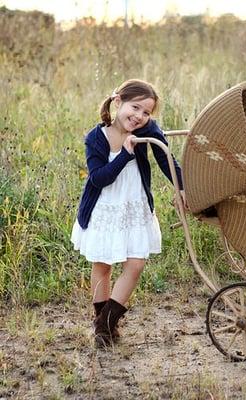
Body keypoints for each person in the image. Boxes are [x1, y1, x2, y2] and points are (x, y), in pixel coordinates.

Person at [71, 79, 184, 347]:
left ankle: (106, 323)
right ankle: (103, 328)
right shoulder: (96, 138)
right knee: (102, 265)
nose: (139, 116)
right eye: (135, 108)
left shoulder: (148, 130)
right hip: (105, 208)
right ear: (118, 101)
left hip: (133, 207)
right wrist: (124, 153)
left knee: (135, 264)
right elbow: (99, 179)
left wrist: (183, 188)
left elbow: (167, 159)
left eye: (147, 112)